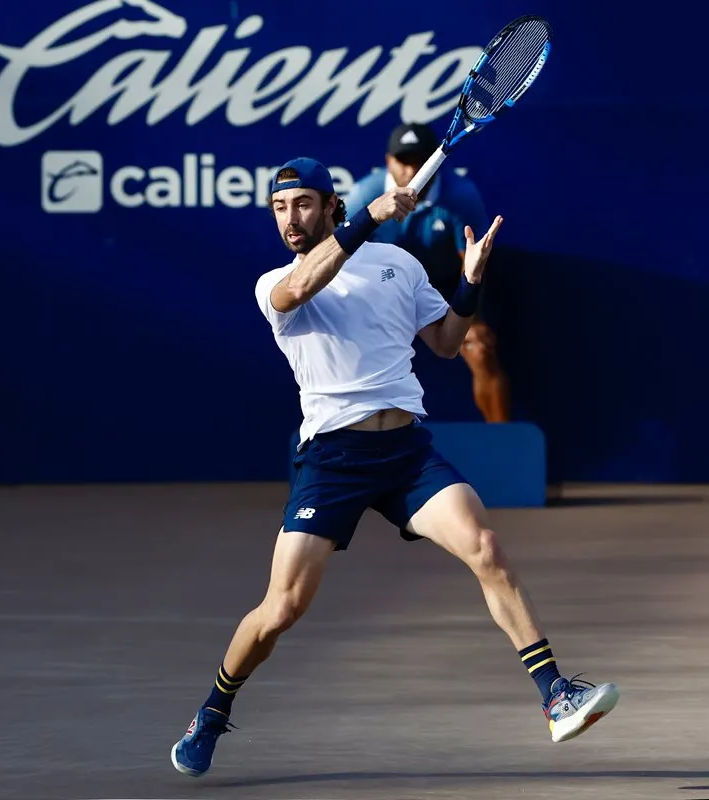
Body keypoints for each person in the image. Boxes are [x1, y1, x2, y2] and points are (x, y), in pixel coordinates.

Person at [169, 157, 618, 777]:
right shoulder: (277, 282)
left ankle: (555, 695)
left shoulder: (396, 265)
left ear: (331, 206)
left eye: (303, 205)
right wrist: (370, 219)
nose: (290, 220)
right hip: (332, 459)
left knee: (486, 547)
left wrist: (469, 283)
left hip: (406, 453)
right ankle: (213, 711)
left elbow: (443, 342)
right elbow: (300, 290)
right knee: (283, 607)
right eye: (279, 209)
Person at [347, 122, 512, 422]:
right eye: (403, 161)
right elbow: (343, 259)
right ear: (388, 162)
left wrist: (470, 318)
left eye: (420, 161)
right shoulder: (364, 195)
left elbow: (471, 262)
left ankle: (503, 443)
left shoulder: (460, 195)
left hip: (446, 291)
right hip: (386, 292)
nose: (411, 171)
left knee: (480, 348)